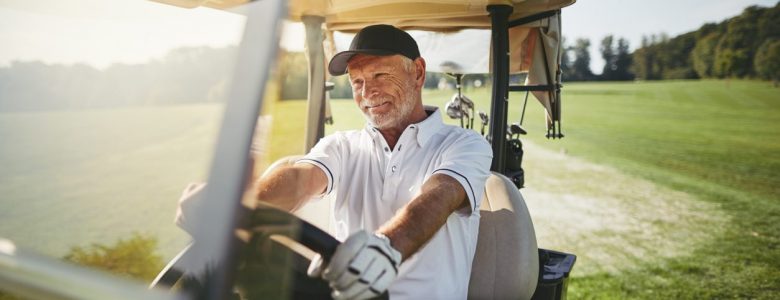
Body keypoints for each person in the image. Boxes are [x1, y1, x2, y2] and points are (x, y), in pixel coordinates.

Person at [254, 24, 492, 300]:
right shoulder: (342, 145)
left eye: (380, 75)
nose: (367, 92)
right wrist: (237, 210)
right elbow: (301, 179)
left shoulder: (464, 144)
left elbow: (440, 195)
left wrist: (384, 247)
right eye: (357, 81)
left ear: (418, 72)